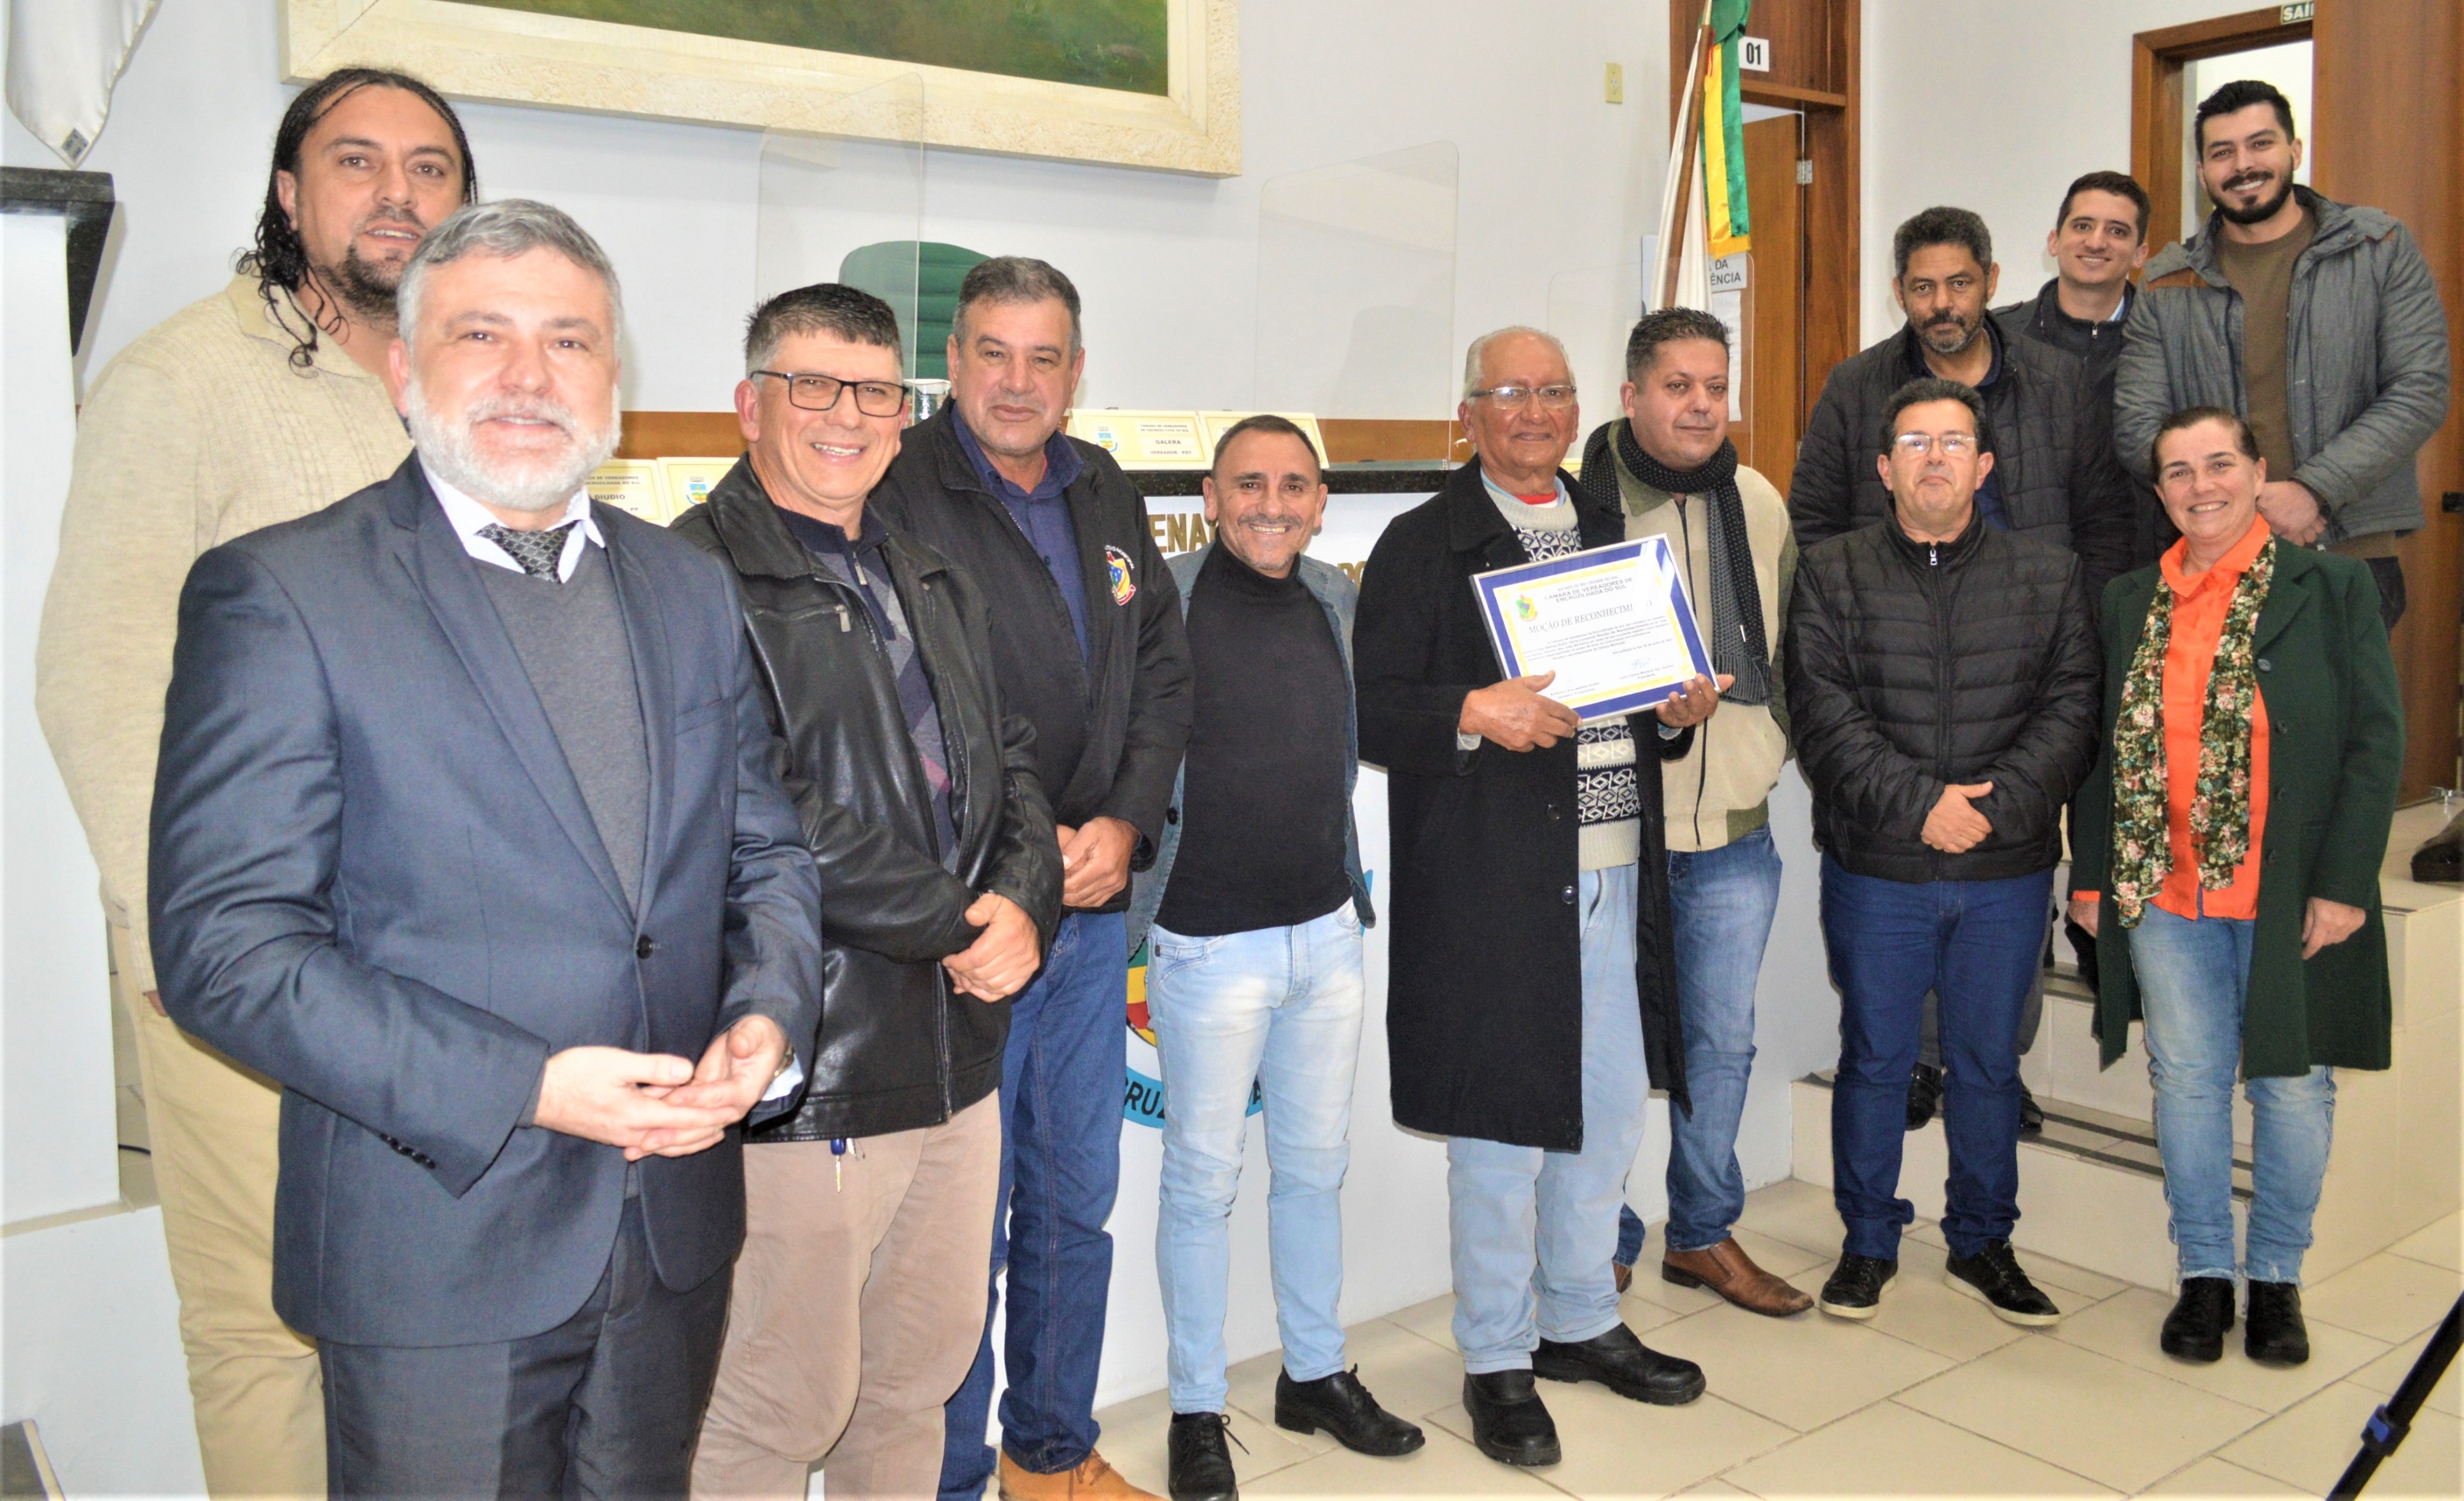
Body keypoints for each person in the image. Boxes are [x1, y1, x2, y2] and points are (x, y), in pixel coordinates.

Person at [148, 200, 823, 1493]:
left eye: (569, 341)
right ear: (405, 370)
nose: (530, 375)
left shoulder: (687, 586)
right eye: (482, 335)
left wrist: (768, 1019)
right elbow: (227, 950)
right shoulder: (283, 593)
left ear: (613, 379)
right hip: (435, 1248)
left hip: (670, 1236)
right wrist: (527, 1086)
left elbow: (766, 851)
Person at [32, 67, 476, 1498]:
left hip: (444, 948)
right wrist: (173, 928)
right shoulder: (179, 381)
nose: (397, 193)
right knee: (268, 1325)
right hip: (255, 942)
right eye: (358, 162)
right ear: (290, 192)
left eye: (429, 168)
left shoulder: (470, 382)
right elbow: (98, 672)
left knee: (426, 1309)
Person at [679, 283, 1065, 1498]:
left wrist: (1026, 902)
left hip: (958, 1052)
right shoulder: (690, 577)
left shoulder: (931, 571)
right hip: (816, 1061)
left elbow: (1011, 759)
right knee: (777, 1398)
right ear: (749, 404)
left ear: (905, 415)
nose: (847, 414)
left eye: (876, 391)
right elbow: (761, 804)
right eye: (813, 384)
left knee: (916, 1380)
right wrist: (960, 921)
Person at [1355, 327, 1721, 1472]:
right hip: (1496, 882)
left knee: (1607, 1114)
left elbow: (1640, 697)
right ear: (1467, 413)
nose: (1533, 410)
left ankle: (1580, 1319)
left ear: (1578, 408)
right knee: (1501, 1129)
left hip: (1613, 867)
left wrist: (1676, 709)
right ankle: (1497, 1356)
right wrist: (1472, 709)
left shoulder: (1615, 530)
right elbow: (1370, 704)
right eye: (1508, 391)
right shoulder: (1421, 542)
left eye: (1553, 390)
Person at [868, 256, 1190, 1501]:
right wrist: (1017, 856)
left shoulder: (1102, 484)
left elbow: (1159, 672)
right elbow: (898, 707)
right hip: (973, 927)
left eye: (1042, 357)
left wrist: (1125, 821)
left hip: (1092, 915)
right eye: (991, 353)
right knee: (957, 1230)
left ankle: (1048, 1452)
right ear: (951, 363)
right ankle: (947, 1479)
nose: (1016, 381)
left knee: (1071, 1202)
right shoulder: (896, 486)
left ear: (1075, 371)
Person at [1124, 416, 1424, 1501]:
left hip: (1326, 935)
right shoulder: (1159, 599)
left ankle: (1314, 1371)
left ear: (1321, 501)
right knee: (1202, 1183)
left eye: (1293, 485)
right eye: (1248, 483)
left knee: (1313, 1168)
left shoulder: (1334, 596)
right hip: (1206, 943)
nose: (1271, 503)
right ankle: (1196, 1408)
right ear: (1210, 496)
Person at [2068, 408, 2402, 1367]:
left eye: (2219, 463)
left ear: (2259, 473)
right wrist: (2091, 874)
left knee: (2292, 1085)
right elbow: (2102, 744)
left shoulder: (2332, 587)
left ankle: (2277, 1276)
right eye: (2178, 471)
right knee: (2187, 1077)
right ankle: (2206, 1272)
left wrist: (2344, 882)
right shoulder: (2129, 597)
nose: (2200, 485)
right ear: (2159, 491)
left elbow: (2375, 740)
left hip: (2289, 888)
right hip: (2163, 888)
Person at [1793, 206, 2132, 1134]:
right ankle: (1915, 1060)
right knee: (1902, 880)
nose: (1941, 303)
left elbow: (2103, 522)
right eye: (1921, 287)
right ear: (1897, 293)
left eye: (1958, 283)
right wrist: (1855, 614)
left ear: (1990, 281)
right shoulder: (1857, 386)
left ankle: (1992, 1064)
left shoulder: (2059, 382)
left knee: (2009, 870)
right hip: (1892, 679)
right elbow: (1815, 519)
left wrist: (2077, 637)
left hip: (2022, 680)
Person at [1788, 378, 2099, 1329]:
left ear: (1985, 464)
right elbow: (1823, 718)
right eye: (1915, 442)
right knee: (1876, 1059)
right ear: (1884, 468)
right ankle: (1867, 1240)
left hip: (2003, 871)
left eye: (1954, 441)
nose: (1934, 457)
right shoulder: (1831, 572)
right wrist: (1921, 805)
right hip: (1878, 867)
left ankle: (1981, 1241)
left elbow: (2073, 710)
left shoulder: (2047, 574)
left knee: (1988, 1064)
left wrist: (1986, 813)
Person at [1581, 310, 1808, 1318]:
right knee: (1606, 1050)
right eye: (1678, 386)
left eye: (1716, 385)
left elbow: (1789, 645)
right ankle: (1601, 1236)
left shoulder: (1757, 499)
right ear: (1632, 395)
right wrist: (1648, 709)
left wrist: (1769, 744)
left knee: (1722, 1043)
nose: (1702, 405)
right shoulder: (1584, 500)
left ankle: (1704, 1231)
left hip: (1733, 833)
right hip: (1616, 834)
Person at [2115, 79, 2451, 633]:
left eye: (2260, 144)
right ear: (2202, 172)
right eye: (2222, 152)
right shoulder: (2167, 282)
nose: (2243, 165)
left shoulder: (2379, 248)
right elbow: (2137, 425)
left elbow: (2420, 388)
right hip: (2215, 556)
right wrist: (2234, 502)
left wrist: (2315, 489)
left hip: (2349, 548)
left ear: (2294, 150)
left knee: (2343, 694)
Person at [1994, 171, 2165, 564]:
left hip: (2145, 563)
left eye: (2117, 231)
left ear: (2141, 254)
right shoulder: (1999, 339)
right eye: (2083, 226)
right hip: (2023, 564)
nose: (2096, 242)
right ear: (2054, 241)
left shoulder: (2168, 343)